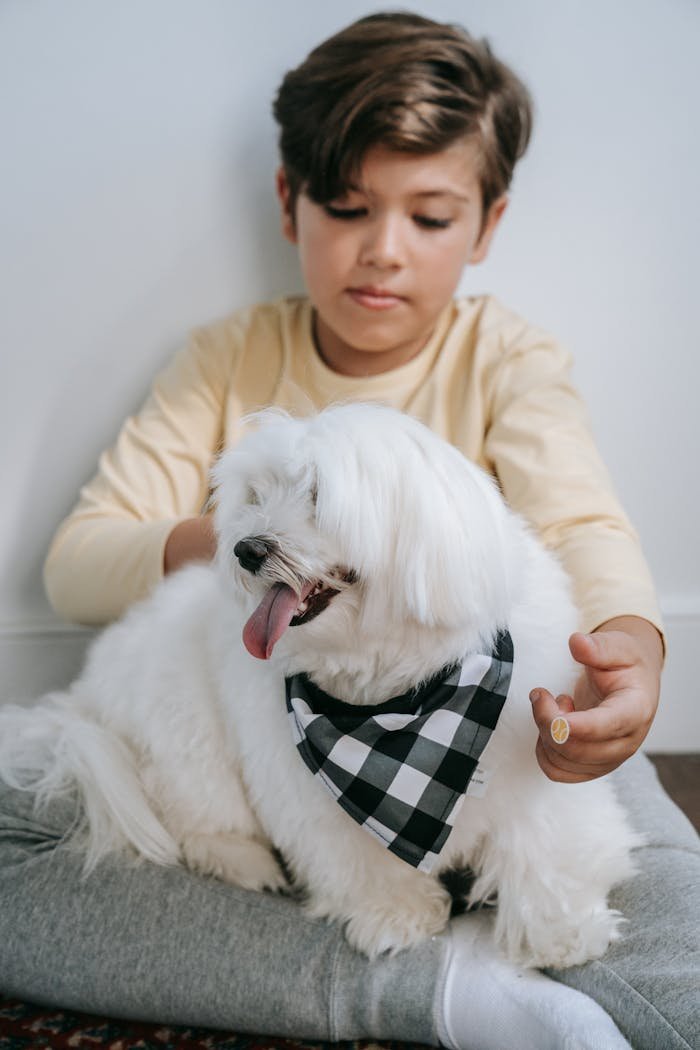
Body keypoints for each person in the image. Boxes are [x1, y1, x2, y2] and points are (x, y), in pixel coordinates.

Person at [1, 12, 697, 1050]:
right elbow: (79, 561)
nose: (382, 251)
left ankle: (404, 957)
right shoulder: (226, 360)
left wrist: (630, 662)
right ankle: (443, 991)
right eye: (346, 206)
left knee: (673, 923)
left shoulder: (504, 359)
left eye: (429, 217)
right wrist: (251, 546)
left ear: (488, 223)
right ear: (289, 202)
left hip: (522, 733)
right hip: (294, 751)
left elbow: (582, 522)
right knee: (15, 864)